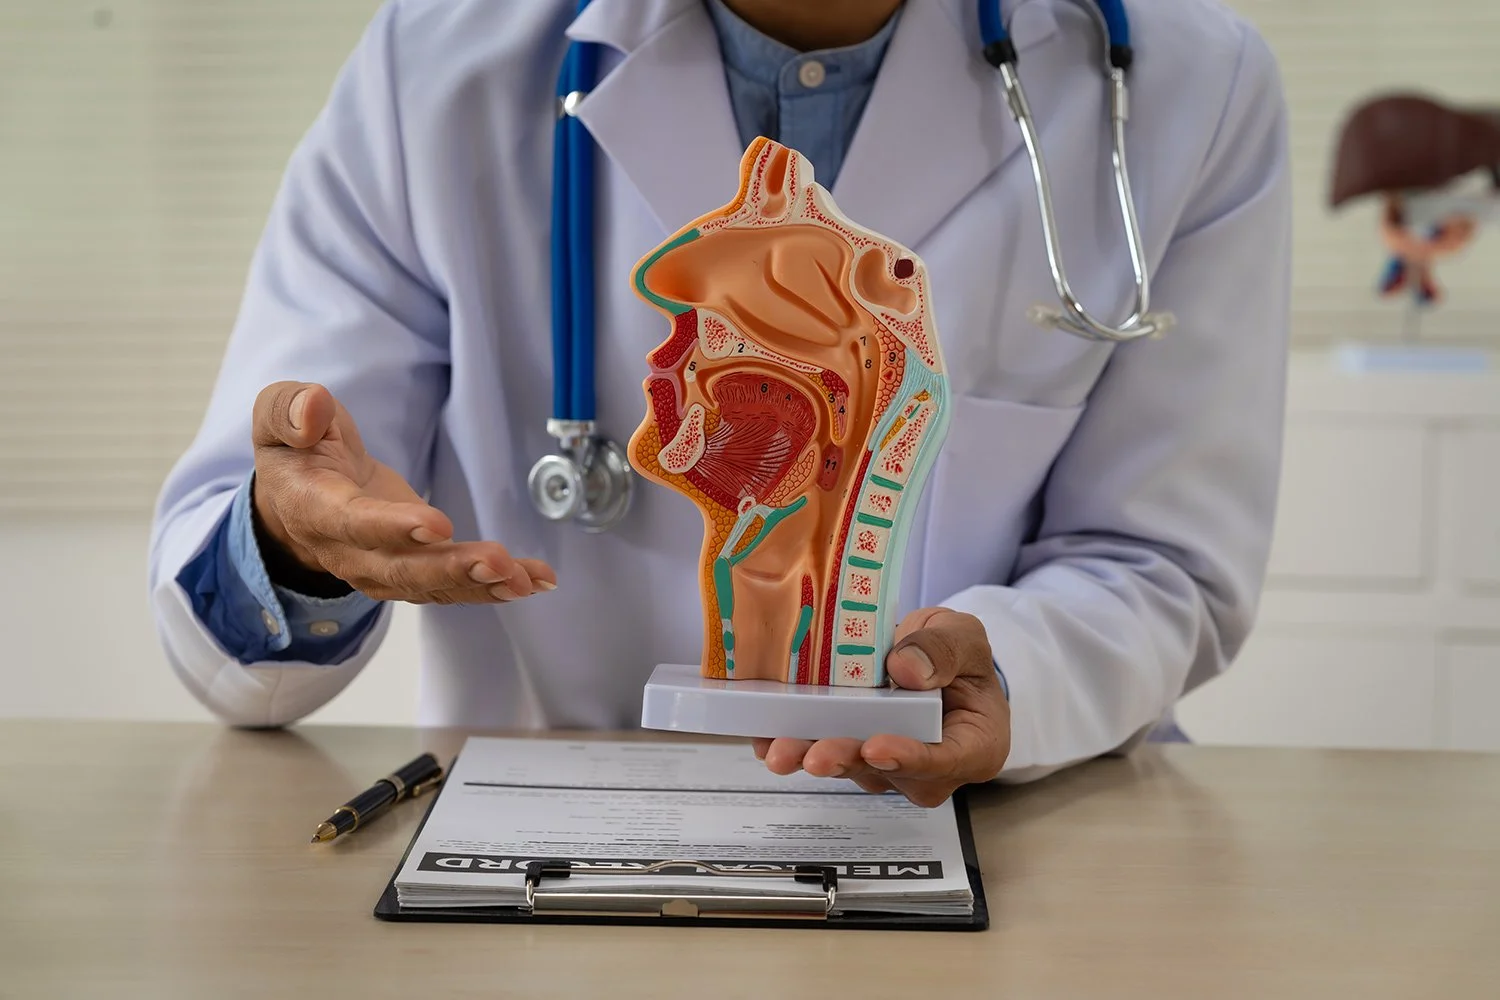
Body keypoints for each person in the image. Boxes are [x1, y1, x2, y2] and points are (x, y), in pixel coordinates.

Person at [148, 0, 1291, 805]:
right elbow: (238, 607)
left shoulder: (1187, 82)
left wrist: (1015, 676)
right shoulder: (431, 65)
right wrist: (297, 542)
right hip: (563, 837)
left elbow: (1159, 564)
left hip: (1003, 831)